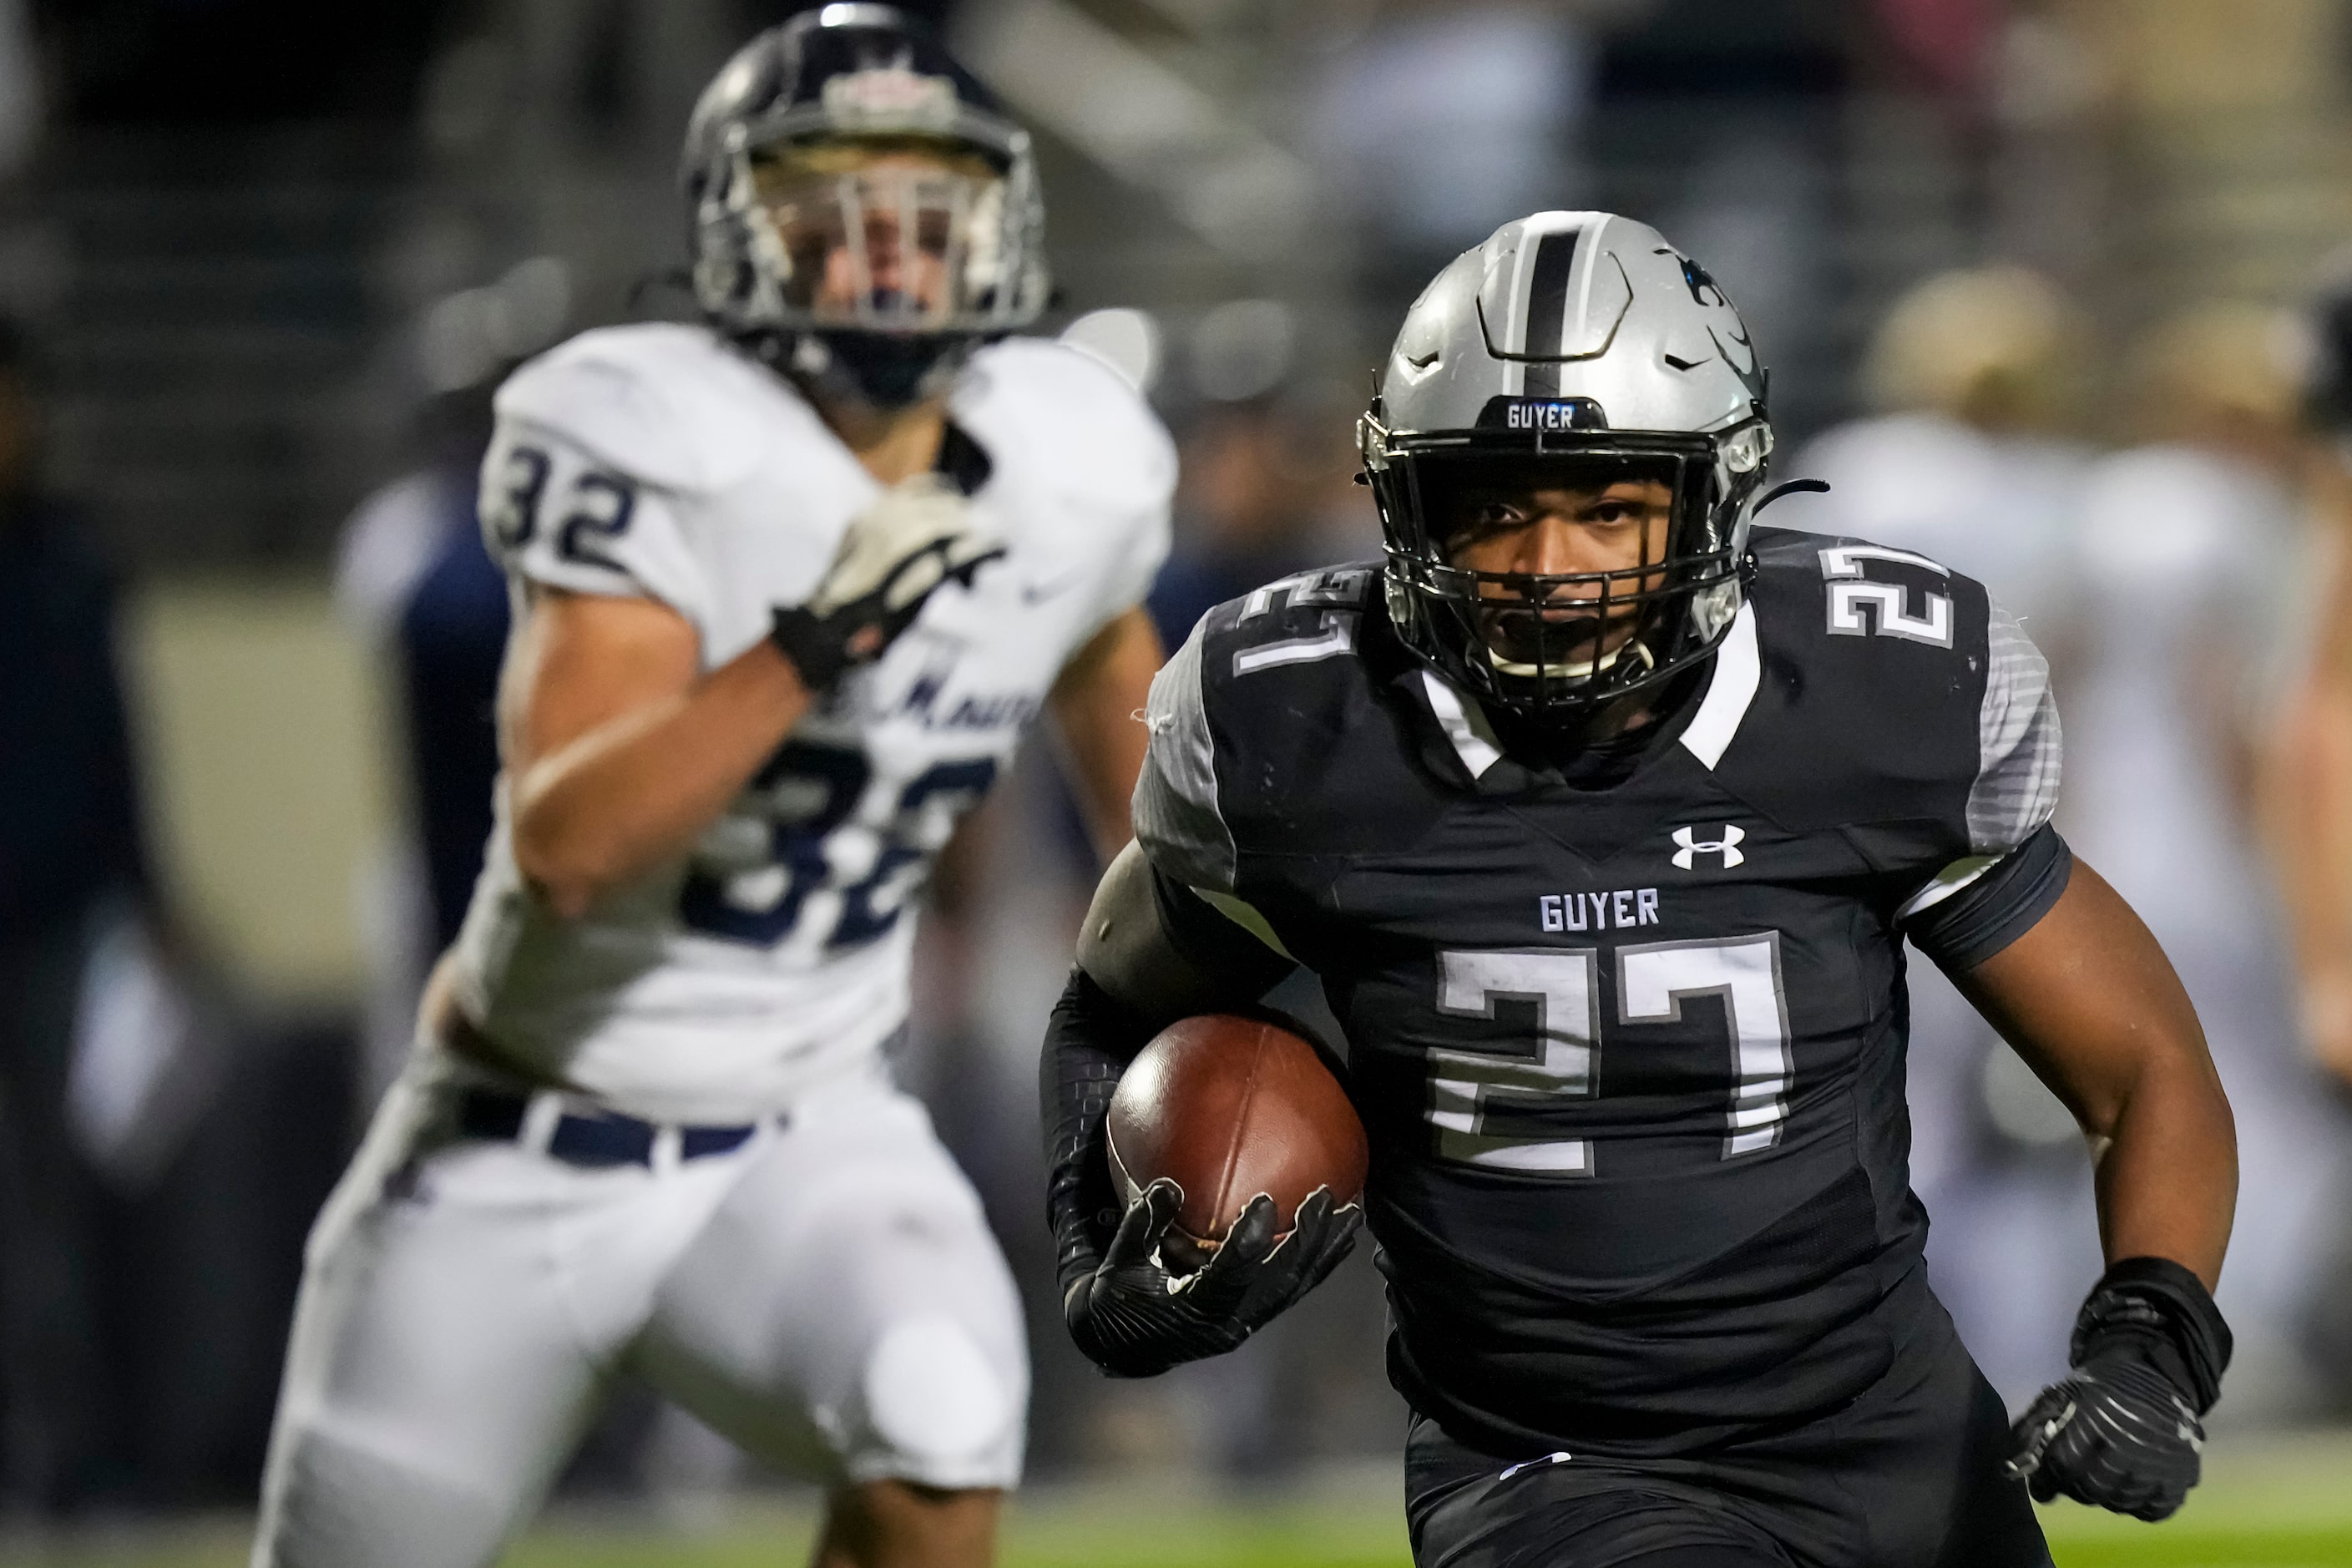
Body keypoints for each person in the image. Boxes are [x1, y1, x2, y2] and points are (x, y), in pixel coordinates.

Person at [1041, 212, 2238, 1565]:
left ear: (1714, 493)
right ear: (1406, 502)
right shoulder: (1307, 732)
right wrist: (1099, 1259)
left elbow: (2139, 1065)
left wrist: (2151, 1339)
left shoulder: (1861, 703)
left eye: (1607, 506)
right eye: (1496, 508)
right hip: (1547, 1468)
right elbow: (1106, 1003)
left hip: (1893, 1441)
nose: (1553, 569)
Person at [252, 10, 1173, 1568]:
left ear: (996, 228)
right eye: (838, 208)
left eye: (926, 211)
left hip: (806, 1130)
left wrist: (1216, 1022)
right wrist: (810, 647)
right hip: (519, 1138)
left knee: (941, 1409)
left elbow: (1152, 797)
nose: (890, 254)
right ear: (744, 230)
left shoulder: (1068, 461)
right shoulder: (647, 431)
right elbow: (570, 846)